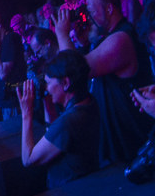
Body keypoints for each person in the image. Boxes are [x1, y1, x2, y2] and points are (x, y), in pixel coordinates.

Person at [54, 0, 154, 165]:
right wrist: (83, 42)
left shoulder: (121, 39)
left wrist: (62, 34)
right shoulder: (110, 37)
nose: (89, 17)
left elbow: (76, 70)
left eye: (92, 11)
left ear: (109, 8)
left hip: (133, 146)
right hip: (125, 148)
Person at [16, 50, 101, 188]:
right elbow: (56, 135)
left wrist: (26, 114)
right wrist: (47, 102)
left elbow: (28, 159)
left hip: (69, 192)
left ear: (66, 83)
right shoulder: (89, 102)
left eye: (48, 83)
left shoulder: (69, 122)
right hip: (85, 185)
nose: (47, 88)